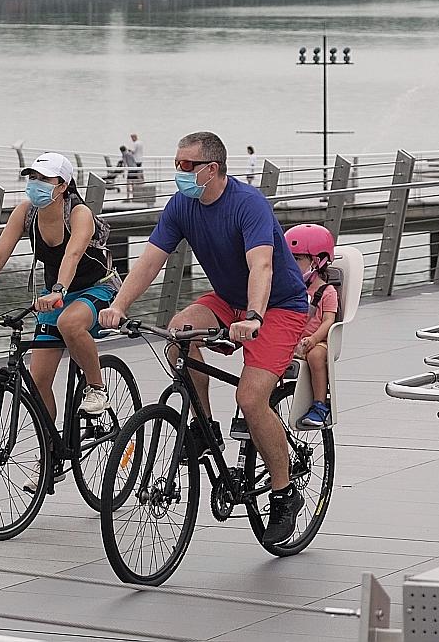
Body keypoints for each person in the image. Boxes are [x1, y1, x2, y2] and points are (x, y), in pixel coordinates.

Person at [99, 131, 310, 544]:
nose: (177, 172)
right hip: (227, 299)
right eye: (175, 163)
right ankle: (205, 426)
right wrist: (120, 305)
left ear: (211, 170)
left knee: (250, 399)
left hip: (278, 305)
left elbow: (262, 267)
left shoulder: (249, 204)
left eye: (185, 166)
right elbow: (149, 261)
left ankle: (285, 495)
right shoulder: (182, 205)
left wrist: (253, 317)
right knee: (178, 332)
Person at [0, 153, 118, 488]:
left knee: (70, 324)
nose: (36, 184)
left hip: (95, 289)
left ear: (62, 185)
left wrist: (59, 289)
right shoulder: (26, 212)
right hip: (53, 295)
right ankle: (51, 457)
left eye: (44, 179)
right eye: (32, 177)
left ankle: (96, 388)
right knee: (39, 379)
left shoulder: (79, 213)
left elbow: (73, 254)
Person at [285, 224, 338, 429]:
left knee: (316, 356)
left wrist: (314, 339)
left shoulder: (327, 291)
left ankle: (320, 405)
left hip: (320, 341)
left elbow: (328, 321)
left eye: (297, 259)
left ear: (317, 262)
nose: (291, 264)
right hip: (296, 340)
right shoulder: (290, 289)